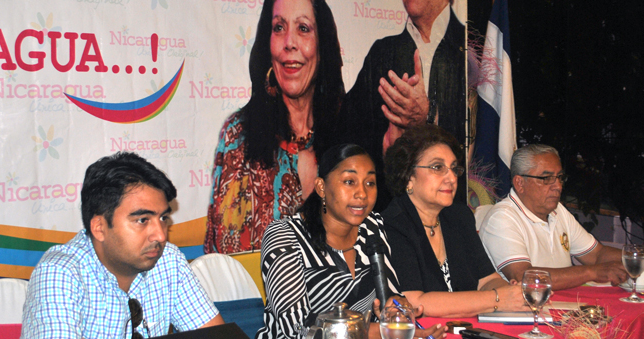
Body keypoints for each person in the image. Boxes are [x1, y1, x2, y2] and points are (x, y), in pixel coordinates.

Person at [18, 152, 224, 339]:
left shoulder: (168, 260)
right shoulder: (59, 273)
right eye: (143, 220)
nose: (161, 235)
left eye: (163, 218)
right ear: (99, 228)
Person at [254, 144, 446, 339]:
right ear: (321, 187)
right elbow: (298, 328)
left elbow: (388, 294)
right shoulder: (284, 235)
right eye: (349, 182)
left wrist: (398, 311)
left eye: (370, 183)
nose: (362, 194)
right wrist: (378, 331)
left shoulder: (372, 226)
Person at [205, 0, 344, 254]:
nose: (289, 42)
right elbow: (224, 256)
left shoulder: (347, 131)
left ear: (322, 44)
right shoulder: (239, 135)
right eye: (279, 27)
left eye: (303, 28)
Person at [382, 123, 526, 317]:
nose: (451, 177)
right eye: (437, 167)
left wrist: (511, 293)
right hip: (420, 336)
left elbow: (486, 279)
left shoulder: (459, 216)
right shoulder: (393, 223)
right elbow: (415, 302)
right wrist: (497, 299)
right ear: (408, 176)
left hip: (465, 331)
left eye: (453, 168)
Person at [479, 144, 644, 290]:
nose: (557, 186)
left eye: (560, 177)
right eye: (546, 179)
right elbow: (524, 276)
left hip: (564, 304)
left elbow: (596, 255)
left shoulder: (558, 211)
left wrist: (638, 258)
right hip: (524, 312)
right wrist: (591, 273)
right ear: (520, 183)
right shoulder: (502, 218)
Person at [338, 0, 466, 211]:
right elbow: (345, 135)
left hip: (453, 212)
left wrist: (429, 117)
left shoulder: (472, 49)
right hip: (393, 215)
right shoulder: (382, 52)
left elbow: (483, 138)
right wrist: (385, 146)